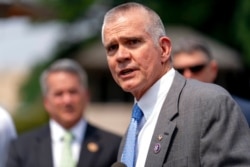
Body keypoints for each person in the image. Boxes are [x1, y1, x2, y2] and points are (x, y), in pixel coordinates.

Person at [101, 2, 250, 167]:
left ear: (164, 49)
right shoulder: (130, 134)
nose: (121, 55)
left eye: (133, 42)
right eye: (112, 47)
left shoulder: (209, 103)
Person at [6, 58, 121, 167]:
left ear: (86, 95)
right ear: (46, 101)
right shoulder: (22, 148)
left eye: (73, 92)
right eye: (59, 94)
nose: (67, 100)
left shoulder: (113, 146)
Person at [172, 37, 250, 127]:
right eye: (179, 70)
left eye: (196, 68)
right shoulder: (164, 115)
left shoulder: (244, 112)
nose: (188, 75)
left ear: (213, 69)